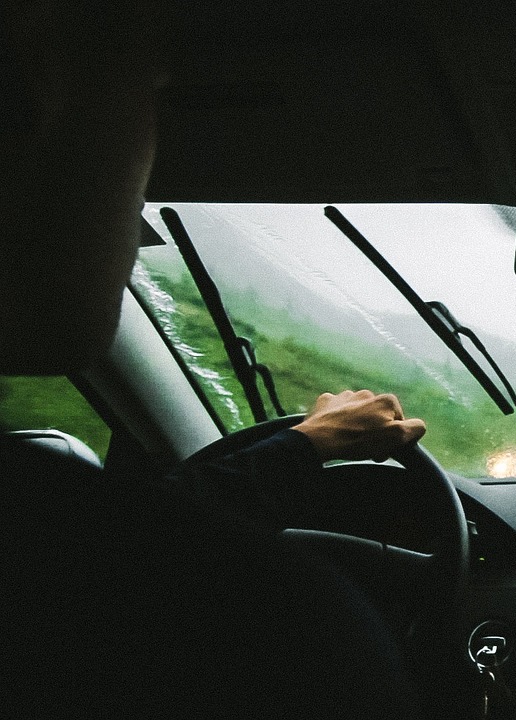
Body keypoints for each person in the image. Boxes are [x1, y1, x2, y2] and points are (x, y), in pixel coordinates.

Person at [2, 5, 432, 716]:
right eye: (148, 89)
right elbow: (138, 550)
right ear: (40, 117)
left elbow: (136, 541)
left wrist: (305, 444)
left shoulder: (60, 549)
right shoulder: (266, 616)